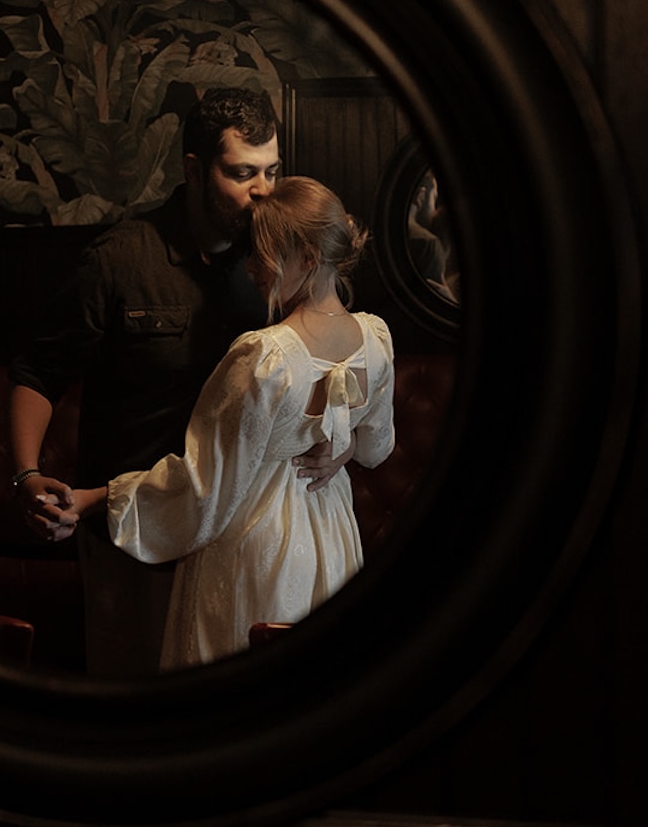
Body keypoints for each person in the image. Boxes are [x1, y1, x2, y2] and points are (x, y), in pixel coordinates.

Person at [8, 87, 344, 677]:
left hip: (238, 536)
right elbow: (38, 371)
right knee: (137, 714)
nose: (263, 190)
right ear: (194, 169)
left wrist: (334, 443)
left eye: (271, 171)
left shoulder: (280, 258)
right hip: (129, 532)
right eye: (243, 174)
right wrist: (28, 474)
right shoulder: (119, 260)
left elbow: (330, 356)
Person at [47, 176, 396, 669]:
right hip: (333, 539)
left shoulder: (265, 357)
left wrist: (97, 498)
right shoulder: (376, 340)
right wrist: (340, 447)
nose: (251, 267)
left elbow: (204, 487)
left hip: (258, 543)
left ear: (309, 259)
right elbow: (376, 447)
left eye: (264, 253)